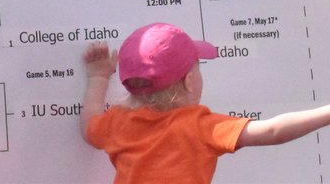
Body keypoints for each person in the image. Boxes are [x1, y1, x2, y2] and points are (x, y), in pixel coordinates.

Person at [82, 22, 330, 183]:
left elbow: (89, 127)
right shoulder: (199, 126)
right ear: (190, 82)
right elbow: (273, 131)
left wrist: (98, 76)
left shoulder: (118, 123)